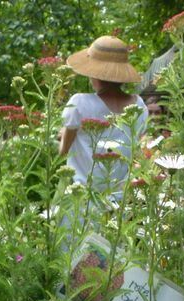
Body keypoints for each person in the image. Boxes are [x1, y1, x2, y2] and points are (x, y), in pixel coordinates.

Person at [59, 36, 147, 197]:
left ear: (93, 73)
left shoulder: (79, 102)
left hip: (82, 198)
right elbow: (137, 150)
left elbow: (63, 152)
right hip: (122, 201)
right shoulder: (139, 105)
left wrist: (63, 135)